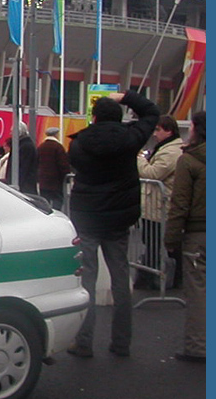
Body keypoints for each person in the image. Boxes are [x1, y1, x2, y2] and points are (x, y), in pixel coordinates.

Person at [66, 90, 160, 358]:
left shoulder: (80, 144)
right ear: (119, 118)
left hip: (88, 217)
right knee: (120, 280)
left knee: (87, 281)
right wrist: (128, 96)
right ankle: (121, 342)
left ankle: (83, 341)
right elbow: (152, 112)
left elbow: (75, 166)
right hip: (119, 219)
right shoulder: (130, 139)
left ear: (94, 118)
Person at [164, 110, 205, 362]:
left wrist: (171, 239)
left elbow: (179, 204)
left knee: (198, 289)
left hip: (198, 232)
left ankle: (198, 345)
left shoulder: (189, 161)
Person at [135, 115, 184, 289]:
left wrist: (139, 158)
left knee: (155, 243)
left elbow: (153, 173)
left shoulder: (171, 151)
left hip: (160, 206)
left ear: (169, 131)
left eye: (158, 130)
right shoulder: (166, 148)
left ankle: (153, 279)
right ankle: (160, 277)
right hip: (155, 205)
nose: (155, 134)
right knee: (154, 243)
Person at [37, 126, 71, 208]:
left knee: (45, 203)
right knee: (57, 202)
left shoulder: (41, 147)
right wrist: (66, 178)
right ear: (56, 135)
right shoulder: (58, 147)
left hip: (43, 181)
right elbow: (63, 165)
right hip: (56, 182)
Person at [5, 122, 39, 195]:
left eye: (12, 132)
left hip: (24, 186)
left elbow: (23, 167)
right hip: (24, 185)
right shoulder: (23, 144)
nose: (10, 134)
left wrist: (16, 183)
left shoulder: (24, 146)